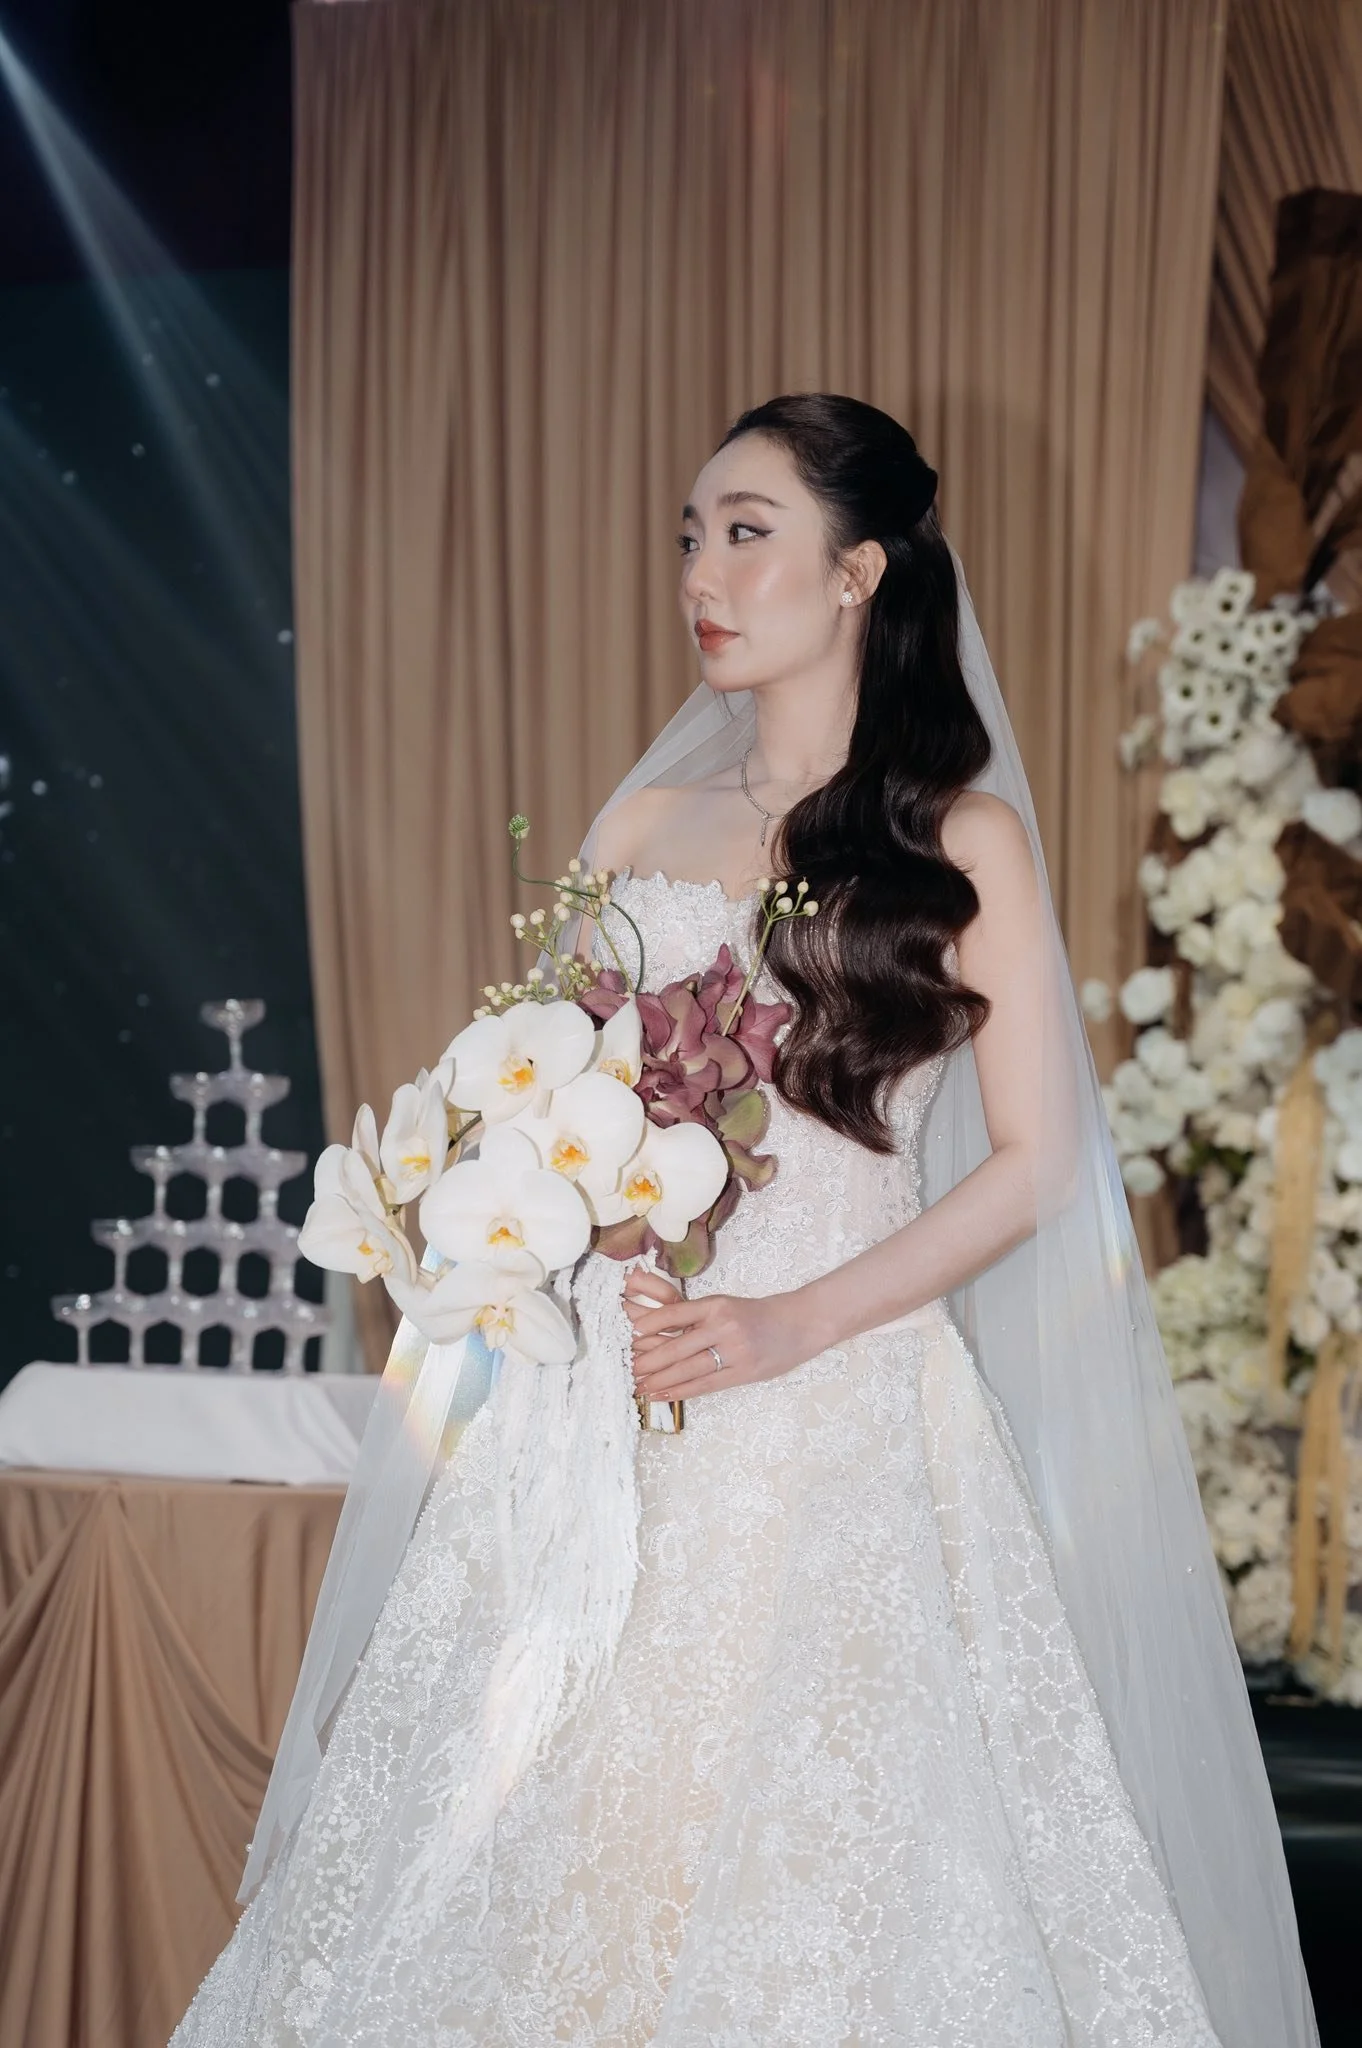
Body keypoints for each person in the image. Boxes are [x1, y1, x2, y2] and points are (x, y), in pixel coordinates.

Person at [173, 394, 1317, 2046]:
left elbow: (1034, 1167)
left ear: (858, 569)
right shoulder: (640, 830)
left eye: (746, 532)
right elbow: (535, 1088)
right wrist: (493, 1220)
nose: (703, 573)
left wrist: (794, 1320)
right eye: (690, 537)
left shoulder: (960, 840)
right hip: (608, 1409)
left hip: (834, 1412)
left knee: (818, 1867)